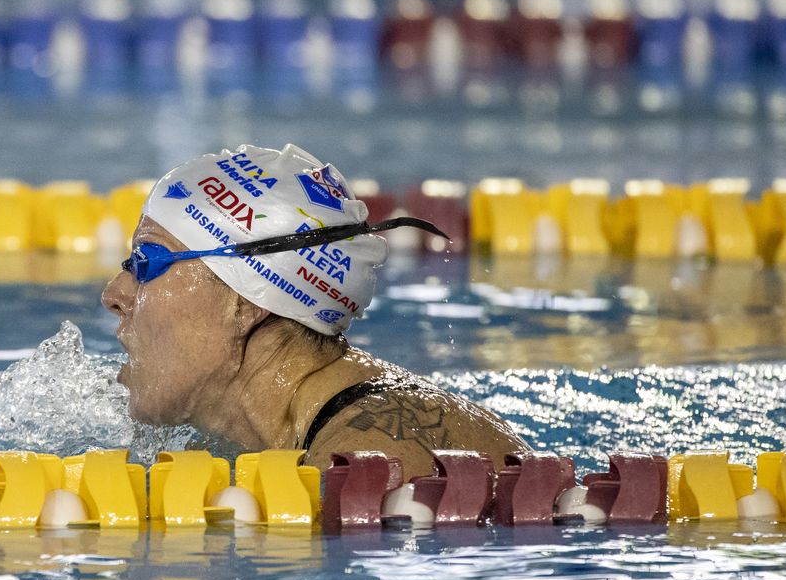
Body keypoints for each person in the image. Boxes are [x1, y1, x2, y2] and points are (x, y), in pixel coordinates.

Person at [101, 144, 528, 478]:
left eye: (147, 262)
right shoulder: (282, 433)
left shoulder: (378, 460)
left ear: (246, 304)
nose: (114, 294)